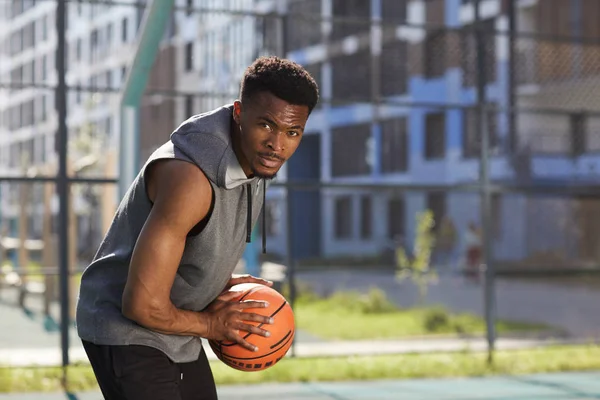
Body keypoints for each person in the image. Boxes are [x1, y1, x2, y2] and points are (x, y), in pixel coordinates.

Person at [75, 56, 319, 400]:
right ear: (238, 113)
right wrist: (212, 324)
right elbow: (141, 305)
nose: (277, 144)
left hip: (175, 322)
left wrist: (220, 283)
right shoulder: (189, 179)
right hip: (125, 328)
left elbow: (193, 244)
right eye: (266, 125)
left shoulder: (257, 159)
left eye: (292, 132)